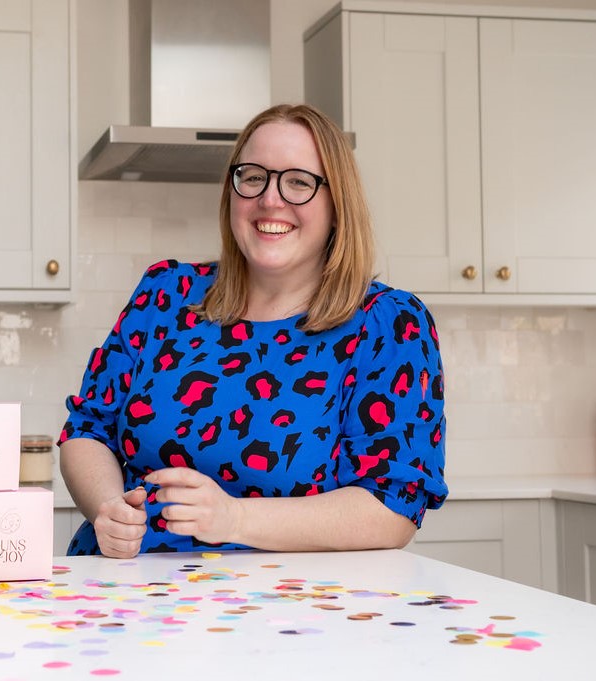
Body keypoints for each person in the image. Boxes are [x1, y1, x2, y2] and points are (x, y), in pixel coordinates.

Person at [58, 103, 447, 558]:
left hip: (289, 607)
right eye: (253, 177)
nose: (270, 199)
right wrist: (109, 510)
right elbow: (87, 431)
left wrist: (235, 518)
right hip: (126, 589)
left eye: (299, 181)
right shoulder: (165, 294)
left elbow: (392, 508)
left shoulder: (389, 324)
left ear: (338, 204)